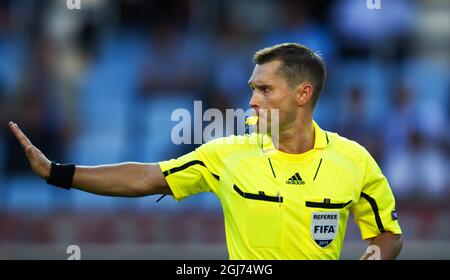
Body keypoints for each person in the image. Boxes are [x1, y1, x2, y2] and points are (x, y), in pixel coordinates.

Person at [9, 43, 402, 260]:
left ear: (303, 94)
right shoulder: (227, 154)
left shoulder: (352, 160)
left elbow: (387, 234)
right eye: (251, 88)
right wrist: (56, 172)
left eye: (265, 90)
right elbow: (146, 178)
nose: (251, 101)